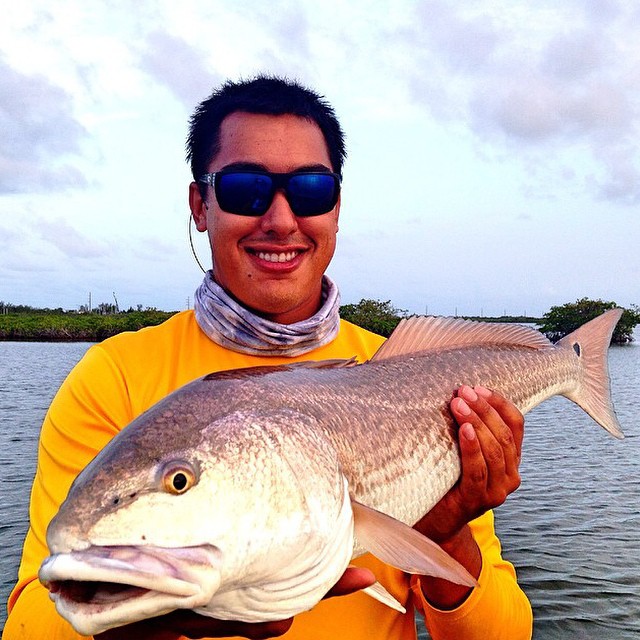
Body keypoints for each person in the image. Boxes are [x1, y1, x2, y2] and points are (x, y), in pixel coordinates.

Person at [3, 76, 533, 640]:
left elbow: (507, 634)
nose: (281, 219)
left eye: (310, 190)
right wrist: (143, 625)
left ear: (335, 209)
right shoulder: (112, 377)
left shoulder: (413, 380)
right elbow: (35, 615)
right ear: (200, 205)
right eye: (246, 189)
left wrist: (447, 535)